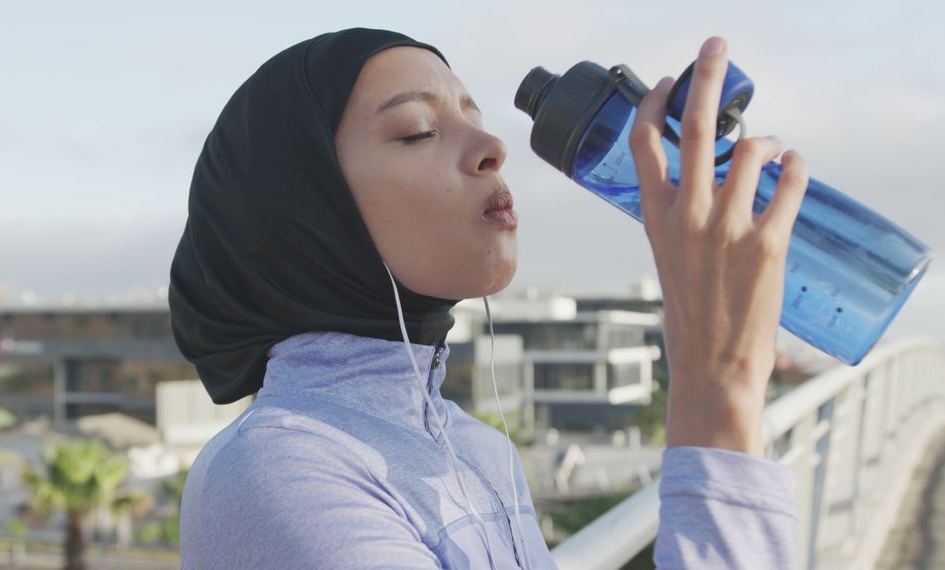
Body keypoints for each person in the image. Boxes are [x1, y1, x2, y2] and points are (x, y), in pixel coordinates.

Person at [169, 27, 806, 569]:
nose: (493, 148)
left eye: (473, 116)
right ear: (305, 209)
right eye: (417, 131)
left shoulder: (476, 447)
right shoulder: (273, 475)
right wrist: (715, 389)